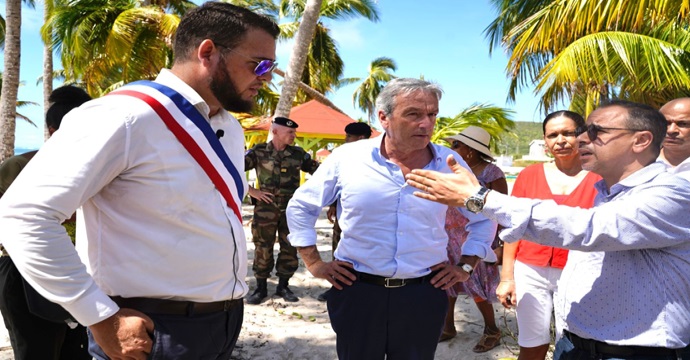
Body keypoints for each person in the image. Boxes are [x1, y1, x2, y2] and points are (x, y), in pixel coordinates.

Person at [0, 3, 279, 359]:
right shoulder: (125, 116)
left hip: (220, 323)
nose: (267, 76)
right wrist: (100, 317)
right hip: (150, 329)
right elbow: (22, 215)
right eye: (260, 64)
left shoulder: (228, 126)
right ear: (207, 53)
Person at [406, 100, 690, 360]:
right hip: (579, 343)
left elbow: (588, 228)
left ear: (640, 140)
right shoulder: (607, 191)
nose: (580, 139)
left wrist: (479, 198)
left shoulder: (675, 193)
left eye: (596, 131)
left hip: (634, 352)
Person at [286, 78, 497, 360]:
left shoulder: (449, 164)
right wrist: (313, 261)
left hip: (423, 294)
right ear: (383, 117)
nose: (426, 123)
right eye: (414, 114)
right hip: (357, 292)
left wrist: (467, 265)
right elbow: (301, 206)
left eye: (432, 114)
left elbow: (484, 215)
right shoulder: (347, 158)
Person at [495, 111, 601, 360]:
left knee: (575, 343)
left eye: (568, 133)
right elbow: (513, 227)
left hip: (579, 271)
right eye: (553, 135)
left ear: (583, 136)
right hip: (530, 270)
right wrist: (507, 276)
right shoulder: (529, 175)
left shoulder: (600, 177)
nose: (560, 140)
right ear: (545, 141)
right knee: (532, 344)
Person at [0, 85, 92, 360]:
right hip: (26, 271)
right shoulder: (20, 166)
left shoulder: (101, 168)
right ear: (53, 130)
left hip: (84, 271)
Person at [439, 126, 507, 353]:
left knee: (476, 285)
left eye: (456, 145)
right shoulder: (451, 171)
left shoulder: (491, 173)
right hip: (448, 235)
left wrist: (500, 244)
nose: (452, 148)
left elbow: (503, 209)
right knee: (446, 283)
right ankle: (448, 327)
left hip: (476, 237)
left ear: (470, 150)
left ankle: (492, 330)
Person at [244, 116, 319, 304]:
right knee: (263, 247)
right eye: (290, 132)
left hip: (291, 210)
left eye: (294, 132)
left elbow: (319, 173)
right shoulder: (259, 152)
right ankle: (261, 288)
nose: (294, 135)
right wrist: (251, 190)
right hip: (265, 210)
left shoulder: (298, 154)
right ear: (276, 131)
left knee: (290, 247)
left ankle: (283, 286)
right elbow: (232, 170)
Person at [317, 121, 372, 302]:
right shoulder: (343, 157)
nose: (345, 140)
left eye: (349, 136)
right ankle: (336, 286)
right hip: (343, 214)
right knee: (338, 249)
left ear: (360, 138)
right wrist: (333, 204)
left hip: (363, 217)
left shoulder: (374, 158)